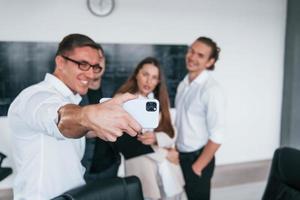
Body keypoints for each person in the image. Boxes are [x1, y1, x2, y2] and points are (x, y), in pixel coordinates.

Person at [8, 33, 141, 200]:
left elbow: (77, 128)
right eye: (83, 64)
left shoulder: (71, 99)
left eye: (95, 67)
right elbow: (60, 118)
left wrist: (103, 125)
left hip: (73, 195)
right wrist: (90, 115)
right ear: (60, 62)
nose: (91, 74)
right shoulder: (36, 96)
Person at [116, 57, 186, 200]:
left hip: (166, 167)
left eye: (154, 77)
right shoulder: (123, 100)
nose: (149, 81)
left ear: (158, 81)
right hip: (142, 166)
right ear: (137, 74)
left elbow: (171, 132)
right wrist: (165, 153)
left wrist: (156, 138)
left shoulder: (159, 101)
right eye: (145, 74)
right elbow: (127, 143)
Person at [175, 36, 225, 200]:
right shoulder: (184, 84)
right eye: (191, 51)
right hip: (180, 156)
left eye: (200, 55)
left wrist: (197, 167)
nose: (192, 57)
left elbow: (217, 136)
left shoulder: (211, 90)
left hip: (197, 159)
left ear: (210, 62)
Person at [81, 55, 121, 182]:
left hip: (110, 166)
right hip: (82, 167)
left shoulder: (113, 89)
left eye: (100, 58)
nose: (96, 63)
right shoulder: (75, 91)